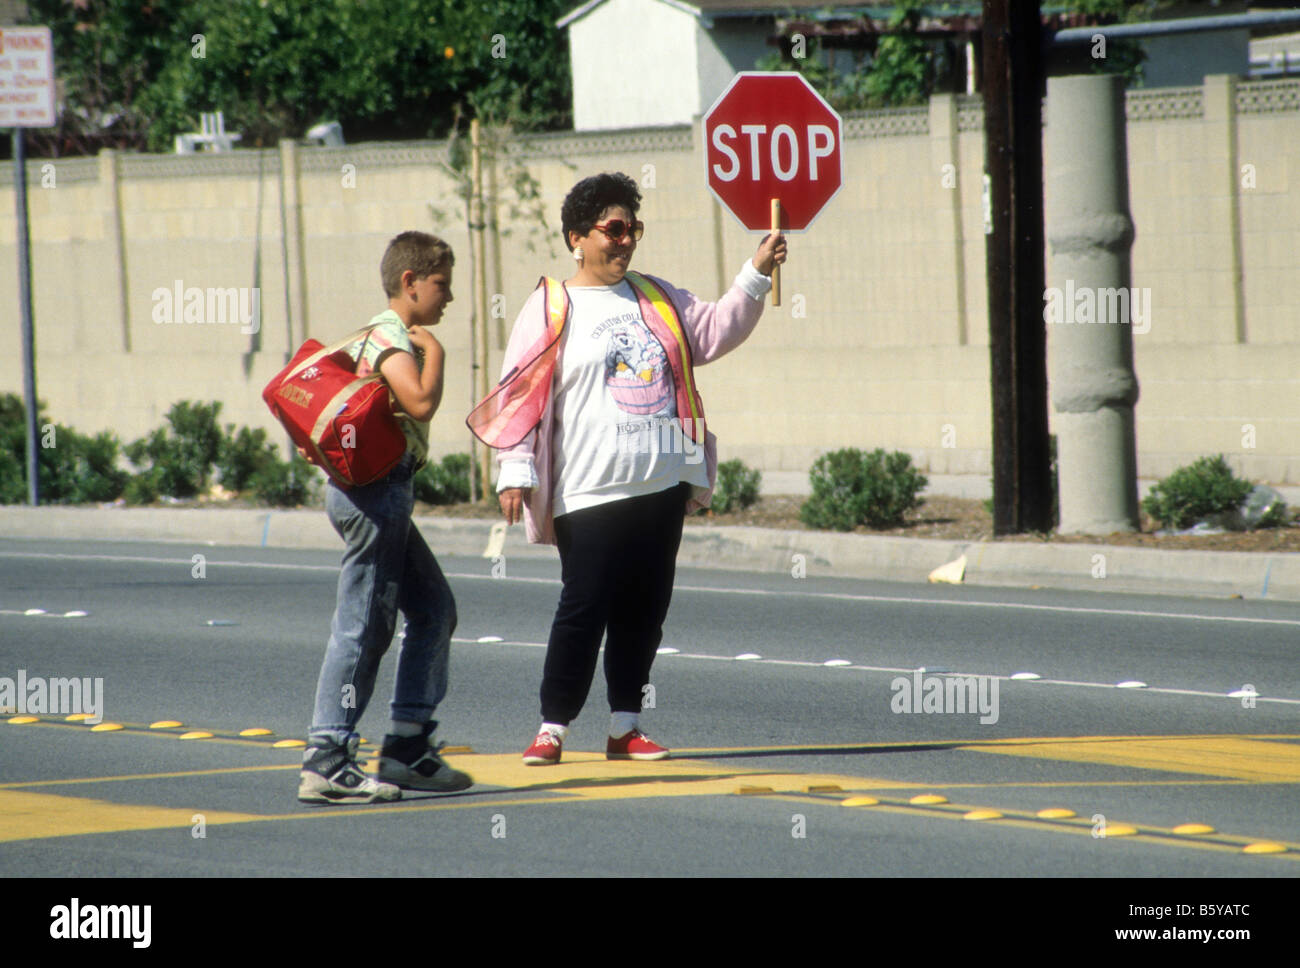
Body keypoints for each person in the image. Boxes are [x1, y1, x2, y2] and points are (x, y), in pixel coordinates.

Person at [482, 172, 786, 766]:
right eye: (612, 230)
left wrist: (756, 271)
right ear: (577, 237)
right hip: (588, 488)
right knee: (584, 604)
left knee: (644, 610)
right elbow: (517, 393)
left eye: (632, 229)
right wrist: (514, 467)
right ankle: (552, 727)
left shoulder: (656, 296)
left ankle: (626, 726)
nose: (624, 242)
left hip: (661, 483)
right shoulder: (551, 306)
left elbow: (716, 330)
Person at [297, 230, 471, 804]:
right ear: (410, 282)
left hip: (377, 493)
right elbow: (419, 401)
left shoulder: (379, 334)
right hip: (374, 496)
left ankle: (406, 748)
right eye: (441, 283)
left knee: (433, 609)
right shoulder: (393, 338)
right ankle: (327, 757)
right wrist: (438, 356)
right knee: (364, 626)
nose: (448, 296)